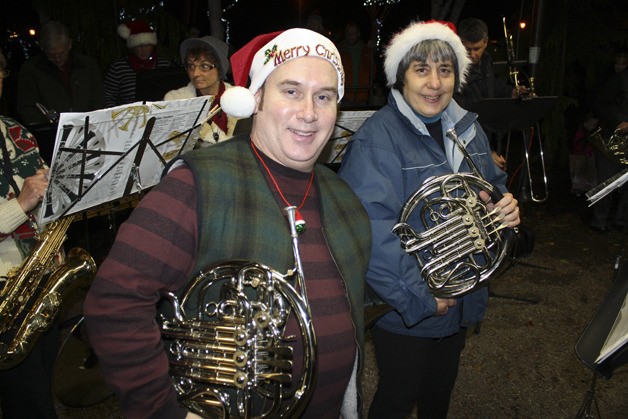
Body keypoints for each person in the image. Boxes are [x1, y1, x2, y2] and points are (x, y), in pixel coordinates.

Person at [83, 28, 371, 418]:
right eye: (291, 91)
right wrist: (164, 410)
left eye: (324, 97)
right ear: (255, 100)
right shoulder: (195, 184)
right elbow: (114, 302)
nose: (309, 112)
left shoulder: (345, 199)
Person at [338, 20, 520, 418]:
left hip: (462, 292)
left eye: (445, 69)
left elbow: (491, 184)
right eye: (421, 70)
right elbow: (370, 233)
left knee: (439, 397)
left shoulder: (467, 128)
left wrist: (503, 206)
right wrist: (423, 297)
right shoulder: (377, 140)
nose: (434, 83)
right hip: (409, 305)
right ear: (401, 76)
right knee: (396, 400)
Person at [0, 50, 57, 419]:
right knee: (29, 400)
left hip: (36, 277)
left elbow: (43, 198)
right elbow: (24, 202)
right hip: (4, 292)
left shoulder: (15, 131)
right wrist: (20, 204)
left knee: (43, 382)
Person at [16, 20, 105, 162]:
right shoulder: (31, 70)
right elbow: (27, 107)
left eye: (61, 53)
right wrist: (53, 127)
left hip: (89, 136)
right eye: (51, 55)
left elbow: (98, 100)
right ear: (43, 48)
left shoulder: (86, 65)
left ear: (69, 44)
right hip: (51, 142)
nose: (57, 58)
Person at [455, 17, 523, 171]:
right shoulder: (454, 71)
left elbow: (492, 87)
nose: (472, 55)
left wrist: (511, 91)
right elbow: (462, 117)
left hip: (487, 134)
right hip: (468, 142)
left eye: (477, 49)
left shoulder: (485, 62)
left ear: (485, 42)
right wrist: (485, 151)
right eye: (467, 49)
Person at [164, 36, 238, 145]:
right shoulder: (176, 101)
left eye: (204, 66)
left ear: (220, 68)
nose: (195, 73)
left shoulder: (239, 99)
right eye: (191, 66)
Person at [590, 53, 628, 233]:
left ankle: (620, 220)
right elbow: (599, 103)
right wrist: (618, 121)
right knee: (607, 180)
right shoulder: (619, 80)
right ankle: (599, 221)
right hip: (611, 138)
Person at [103, 20, 172, 108]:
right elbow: (107, 95)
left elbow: (173, 91)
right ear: (133, 46)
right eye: (140, 46)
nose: (144, 50)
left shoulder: (164, 65)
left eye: (148, 45)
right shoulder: (118, 67)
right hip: (128, 116)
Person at [338, 21, 377, 106]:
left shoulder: (366, 52)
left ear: (358, 34)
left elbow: (372, 71)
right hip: (344, 97)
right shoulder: (339, 51)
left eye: (352, 34)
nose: (350, 37)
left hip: (362, 97)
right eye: (348, 34)